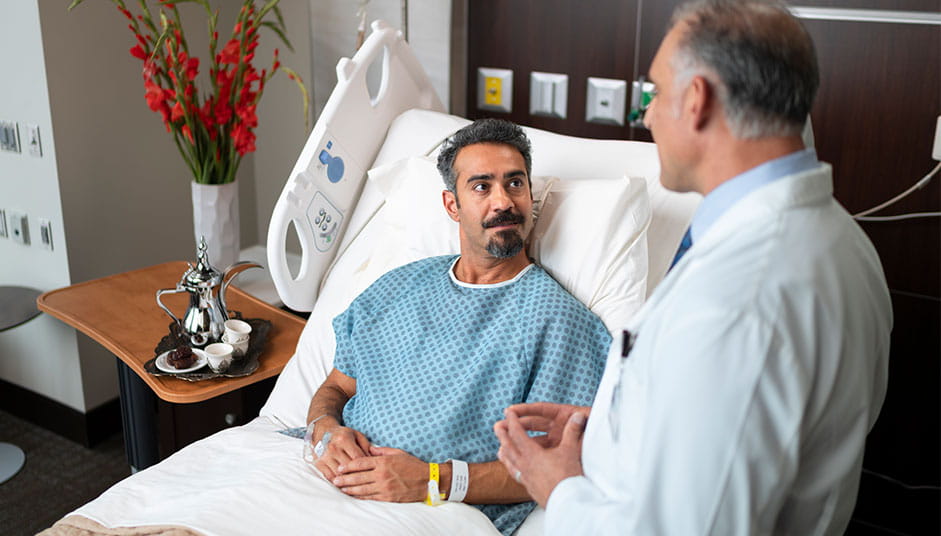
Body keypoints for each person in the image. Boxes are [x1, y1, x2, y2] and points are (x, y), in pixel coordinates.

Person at [494, 1, 892, 534]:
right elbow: (753, 437)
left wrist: (560, 489)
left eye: (655, 93)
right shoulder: (848, 242)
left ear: (698, 99)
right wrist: (616, 426)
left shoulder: (738, 300)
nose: (648, 114)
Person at [304, 118, 612, 535]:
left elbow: (555, 465)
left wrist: (432, 480)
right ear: (452, 205)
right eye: (482, 187)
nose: (503, 201)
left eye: (515, 184)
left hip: (427, 513)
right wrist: (324, 430)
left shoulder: (555, 320)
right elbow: (338, 388)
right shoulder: (401, 285)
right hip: (322, 484)